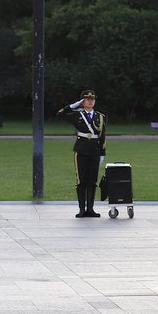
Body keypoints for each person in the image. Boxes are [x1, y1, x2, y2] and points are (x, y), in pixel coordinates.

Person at [55, 89, 106, 219]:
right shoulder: (77, 114)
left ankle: (90, 209)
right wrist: (74, 105)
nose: (90, 101)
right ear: (83, 102)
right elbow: (59, 114)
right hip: (81, 149)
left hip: (94, 150)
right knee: (81, 180)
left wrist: (102, 154)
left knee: (92, 180)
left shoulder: (100, 116)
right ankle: (82, 209)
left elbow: (102, 136)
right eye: (87, 99)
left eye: (92, 99)